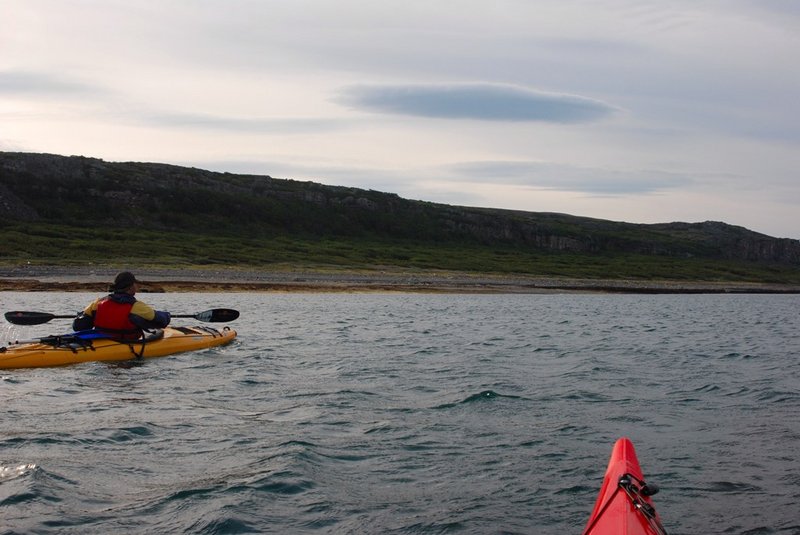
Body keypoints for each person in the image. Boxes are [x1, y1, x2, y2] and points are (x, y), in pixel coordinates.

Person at [73, 271, 171, 338]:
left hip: (101, 341)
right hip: (124, 342)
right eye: (135, 284)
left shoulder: (97, 303)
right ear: (130, 287)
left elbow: (78, 326)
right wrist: (167, 315)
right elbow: (162, 321)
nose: (136, 286)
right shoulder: (136, 306)